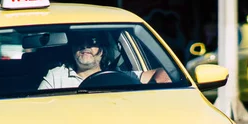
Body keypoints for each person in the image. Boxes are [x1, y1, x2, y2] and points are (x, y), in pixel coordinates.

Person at [38, 32, 170, 90]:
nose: (85, 46)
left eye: (92, 42)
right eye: (79, 42)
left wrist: (153, 89)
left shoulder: (118, 76)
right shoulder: (56, 76)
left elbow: (165, 73)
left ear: (103, 49)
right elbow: (38, 108)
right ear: (72, 48)